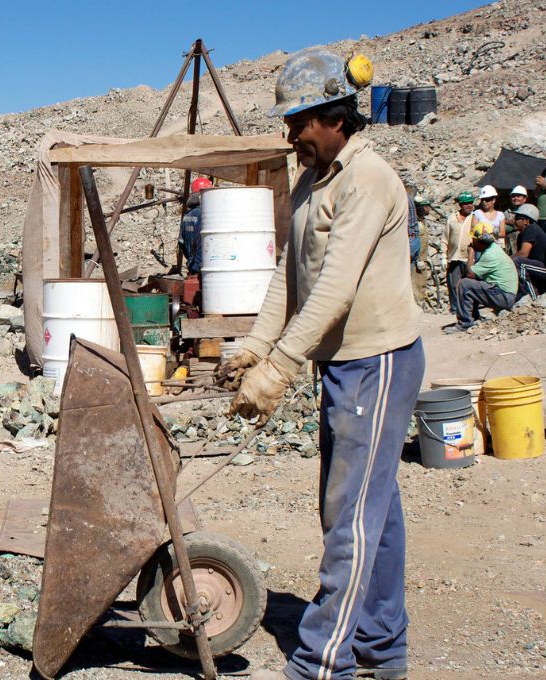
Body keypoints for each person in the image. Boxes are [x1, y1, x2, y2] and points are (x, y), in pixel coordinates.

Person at [222, 47, 424, 680]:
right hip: (342, 365)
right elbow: (292, 274)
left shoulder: (369, 179)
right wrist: (256, 344)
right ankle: (382, 648)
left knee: (349, 517)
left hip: (377, 359)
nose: (291, 136)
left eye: (298, 124)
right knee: (373, 508)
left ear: (334, 116)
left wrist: (278, 369)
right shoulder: (316, 180)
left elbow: (335, 289)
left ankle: (321, 661)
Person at [445, 222, 518, 333]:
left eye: (474, 239)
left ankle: (464, 323)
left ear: (480, 241)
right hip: (505, 293)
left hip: (504, 295)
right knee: (473, 283)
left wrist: (470, 254)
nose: (472, 242)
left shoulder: (490, 254)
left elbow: (470, 274)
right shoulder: (493, 249)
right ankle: (473, 317)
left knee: (465, 284)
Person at [510, 204, 546, 295]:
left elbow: (523, 254)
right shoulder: (522, 234)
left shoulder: (531, 229)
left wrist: (505, 259)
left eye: (517, 218)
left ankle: (530, 296)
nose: (514, 221)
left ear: (526, 221)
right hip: (537, 267)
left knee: (518, 263)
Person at [445, 190, 477, 305]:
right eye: (466, 203)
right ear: (460, 205)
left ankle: (469, 308)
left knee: (470, 284)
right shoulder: (452, 218)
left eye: (471, 202)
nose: (469, 205)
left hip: (469, 257)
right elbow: (445, 238)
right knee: (454, 285)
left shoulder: (475, 218)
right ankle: (455, 308)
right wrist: (443, 256)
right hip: (454, 256)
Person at [178, 177, 212, 275]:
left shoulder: (187, 216)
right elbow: (206, 243)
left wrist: (191, 259)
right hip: (203, 268)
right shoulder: (205, 214)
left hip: (192, 266)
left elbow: (181, 243)